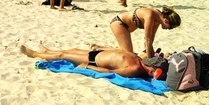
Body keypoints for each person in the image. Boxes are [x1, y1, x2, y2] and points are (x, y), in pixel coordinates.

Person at [20, 44, 168, 80]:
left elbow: (111, 72)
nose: (152, 72)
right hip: (98, 53)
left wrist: (88, 67)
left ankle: (34, 54)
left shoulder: (135, 68)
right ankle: (46, 51)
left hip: (94, 60)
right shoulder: (139, 59)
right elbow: (117, 50)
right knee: (73, 49)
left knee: (63, 55)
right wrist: (101, 47)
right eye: (154, 69)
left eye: (155, 73)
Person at [106, 7, 181, 58]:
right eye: (170, 28)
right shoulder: (150, 16)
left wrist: (151, 53)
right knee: (129, 56)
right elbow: (147, 40)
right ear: (166, 21)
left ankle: (101, 48)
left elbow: (151, 39)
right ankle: (99, 48)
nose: (169, 29)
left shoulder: (158, 20)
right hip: (119, 23)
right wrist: (150, 59)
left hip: (126, 28)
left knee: (133, 54)